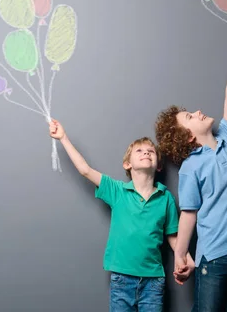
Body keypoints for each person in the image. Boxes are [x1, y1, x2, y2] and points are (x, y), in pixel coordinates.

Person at [154, 33, 227, 311]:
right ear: (186, 138)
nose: (197, 112)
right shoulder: (190, 167)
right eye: (189, 118)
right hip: (215, 256)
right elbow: (189, 213)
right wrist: (180, 255)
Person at [49, 119, 195, 311]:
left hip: (153, 282)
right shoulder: (117, 191)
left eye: (150, 151)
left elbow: (173, 237)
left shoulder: (165, 197)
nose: (146, 153)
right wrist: (63, 137)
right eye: (140, 151)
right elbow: (85, 170)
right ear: (127, 164)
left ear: (159, 166)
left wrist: (186, 257)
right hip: (121, 280)